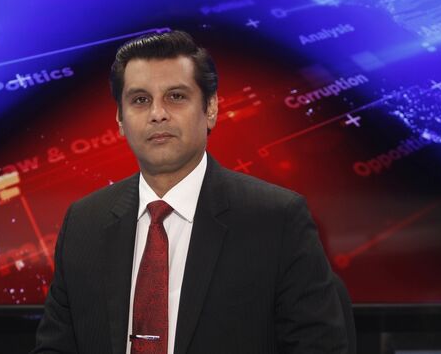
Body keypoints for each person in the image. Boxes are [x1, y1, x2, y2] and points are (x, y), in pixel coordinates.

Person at [32, 30, 348, 354]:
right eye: (140, 100)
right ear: (120, 120)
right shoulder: (84, 223)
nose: (157, 113)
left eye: (176, 96)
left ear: (210, 108)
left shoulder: (276, 219)